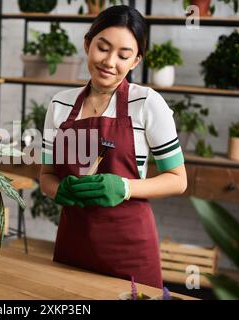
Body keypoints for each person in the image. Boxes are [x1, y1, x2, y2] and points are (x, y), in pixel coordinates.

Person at [39, 5, 187, 289]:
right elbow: (46, 175)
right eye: (102, 48)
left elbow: (178, 180)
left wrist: (125, 187)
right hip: (74, 243)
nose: (109, 61)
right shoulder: (60, 105)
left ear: (136, 61)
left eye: (123, 55)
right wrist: (60, 190)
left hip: (130, 248)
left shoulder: (147, 103)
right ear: (87, 44)